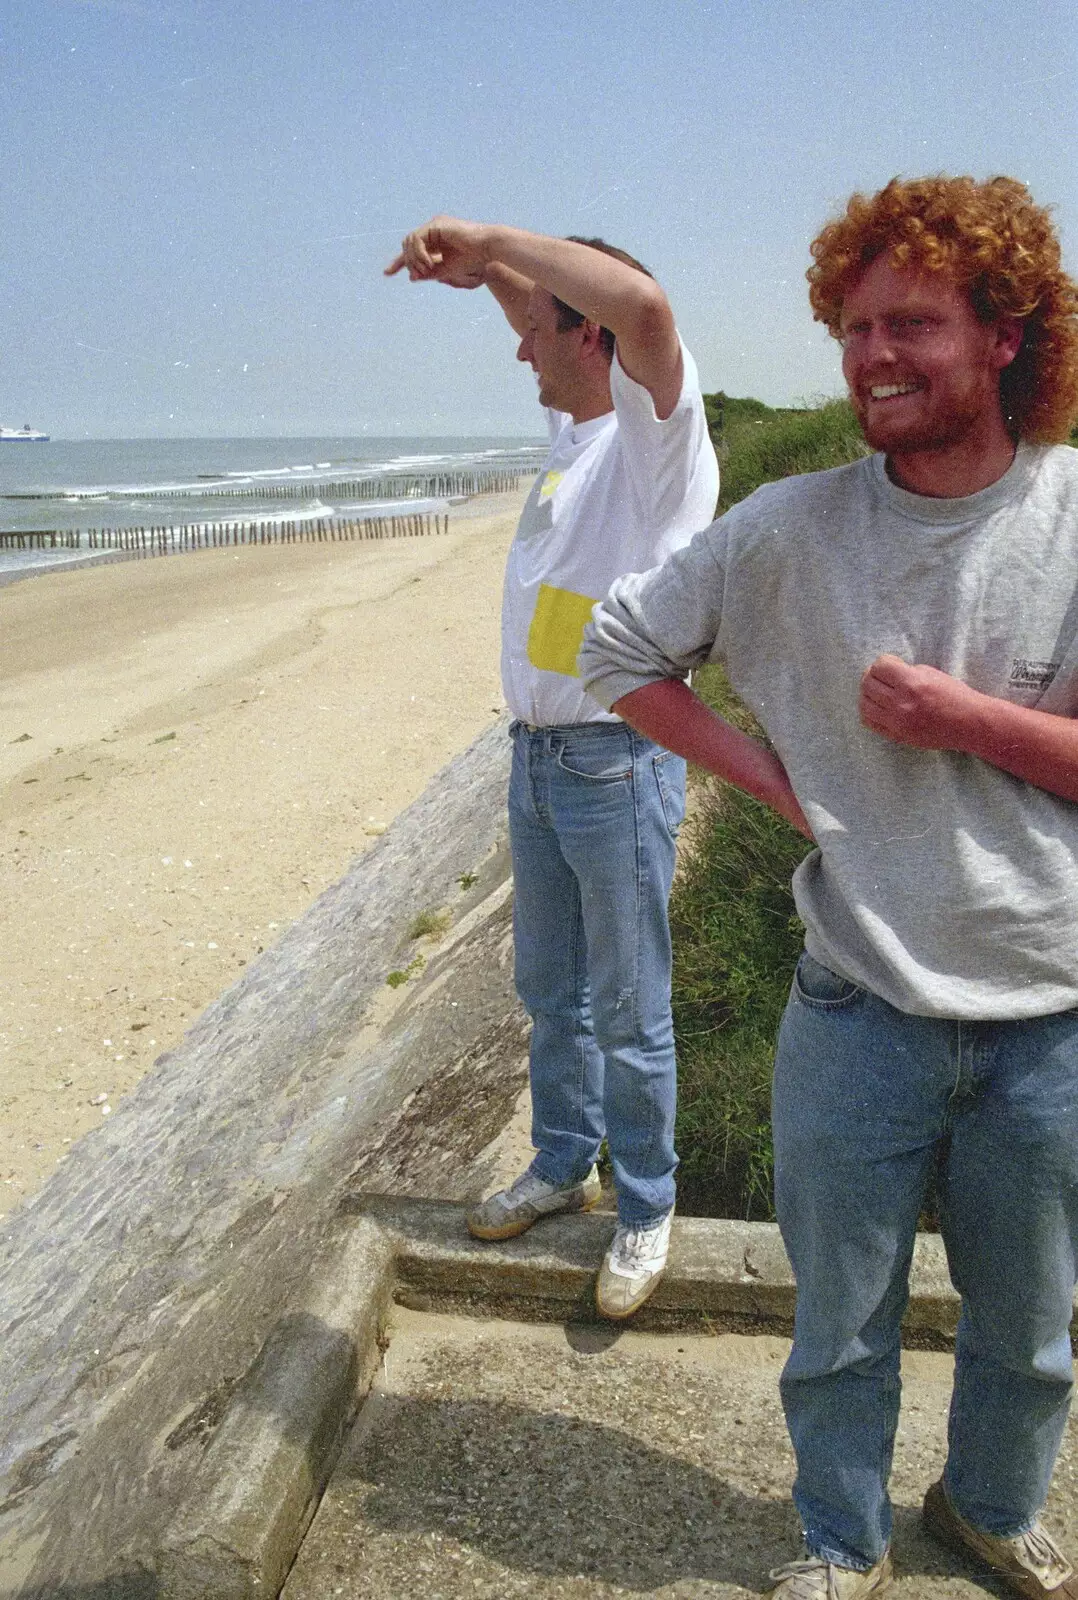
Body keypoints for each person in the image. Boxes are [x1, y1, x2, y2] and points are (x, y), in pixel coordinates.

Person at [579, 174, 1078, 1597]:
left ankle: (986, 1509)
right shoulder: (786, 529)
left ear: (1002, 333)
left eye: (910, 322)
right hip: (854, 1007)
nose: (870, 356)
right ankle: (836, 1541)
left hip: (1048, 1014)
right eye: (852, 327)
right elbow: (617, 654)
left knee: (1030, 1327)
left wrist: (964, 721)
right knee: (839, 1321)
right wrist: (766, 776)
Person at [385, 216, 719, 1318]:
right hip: (536, 759)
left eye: (539, 331)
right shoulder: (572, 436)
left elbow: (646, 310)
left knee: (628, 1003)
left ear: (597, 340)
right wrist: (484, 275)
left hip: (617, 762)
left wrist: (488, 233)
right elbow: (546, 318)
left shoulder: (650, 447)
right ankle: (562, 1160)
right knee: (550, 992)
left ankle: (646, 1202)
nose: (519, 349)